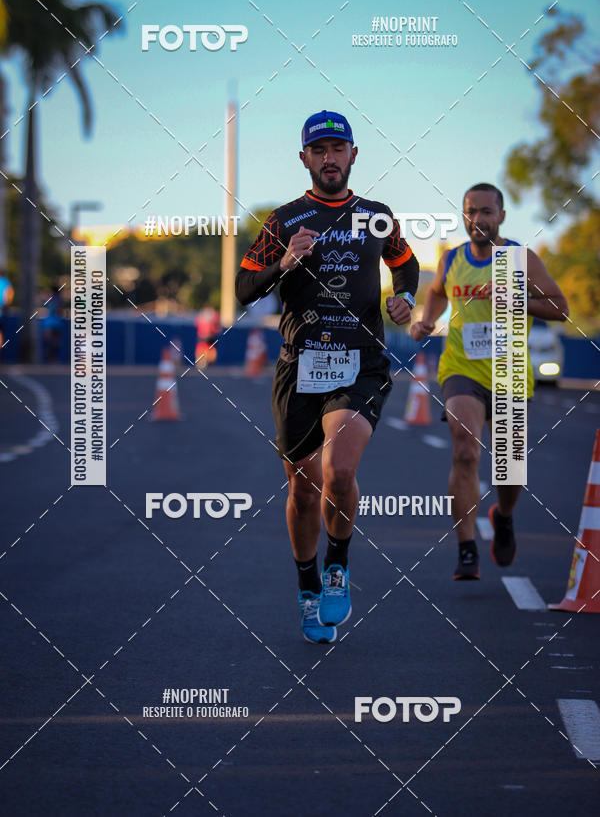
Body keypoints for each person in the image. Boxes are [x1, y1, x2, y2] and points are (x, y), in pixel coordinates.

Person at [236, 110, 419, 642]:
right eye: (319, 150)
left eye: (338, 148)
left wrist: (404, 295)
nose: (329, 157)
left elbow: (404, 262)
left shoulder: (375, 216)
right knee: (304, 487)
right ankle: (308, 585)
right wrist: (284, 264)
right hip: (299, 364)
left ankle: (339, 566)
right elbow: (246, 290)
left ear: (353, 155)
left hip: (360, 362)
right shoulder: (284, 220)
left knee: (339, 470)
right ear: (305, 159)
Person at [411, 183, 569, 580]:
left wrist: (518, 299)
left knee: (509, 466)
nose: (477, 219)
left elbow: (561, 309)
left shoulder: (520, 258)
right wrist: (426, 319)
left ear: (501, 216)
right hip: (461, 367)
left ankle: (505, 516)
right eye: (470, 212)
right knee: (465, 449)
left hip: (510, 370)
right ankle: (466, 549)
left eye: (485, 211)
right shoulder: (451, 260)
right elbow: (435, 293)